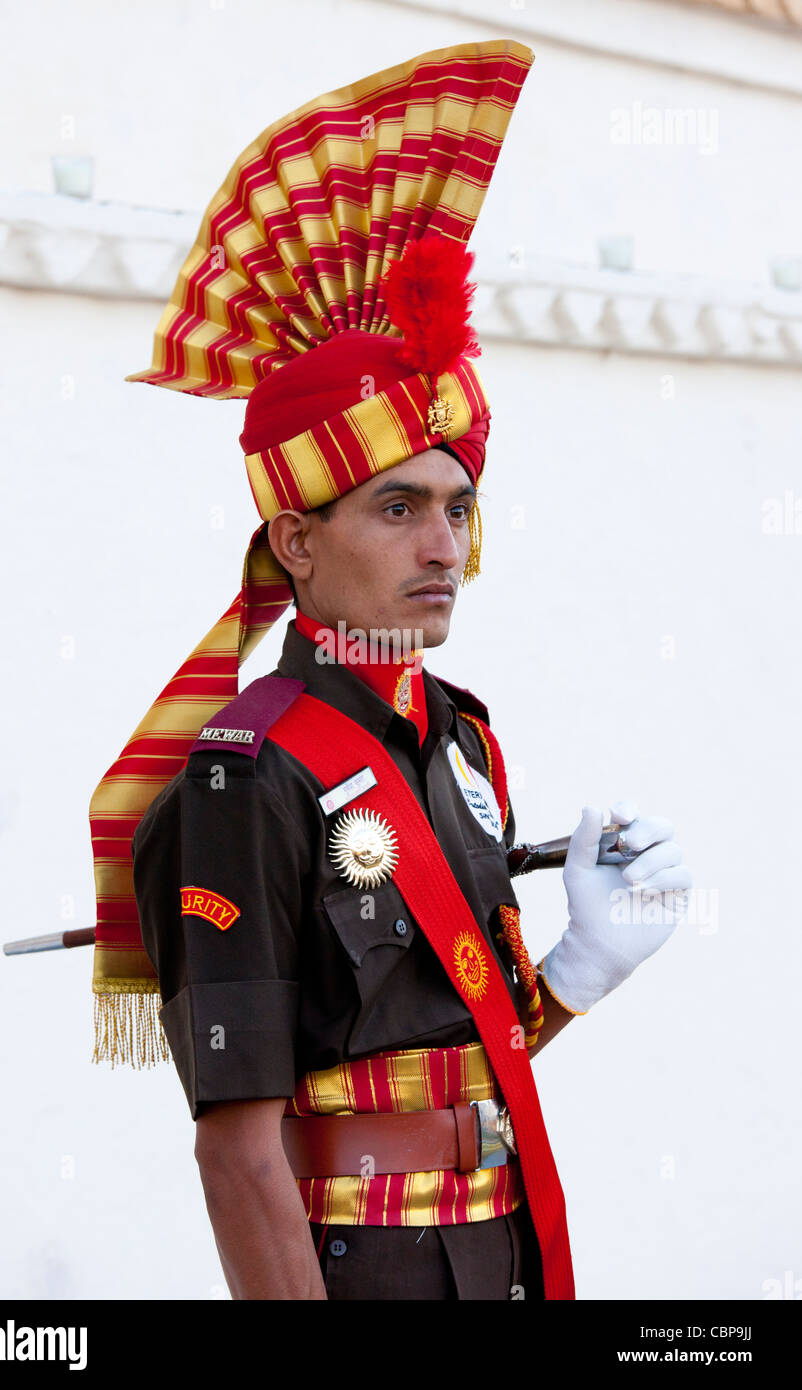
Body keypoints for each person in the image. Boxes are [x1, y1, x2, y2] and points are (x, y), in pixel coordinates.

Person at [88, 39, 691, 1301]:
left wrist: (579, 969)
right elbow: (238, 1154)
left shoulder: (461, 740)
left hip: (501, 1251)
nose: (444, 546)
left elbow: (454, 1047)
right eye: (398, 508)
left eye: (458, 509)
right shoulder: (240, 777)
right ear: (295, 541)